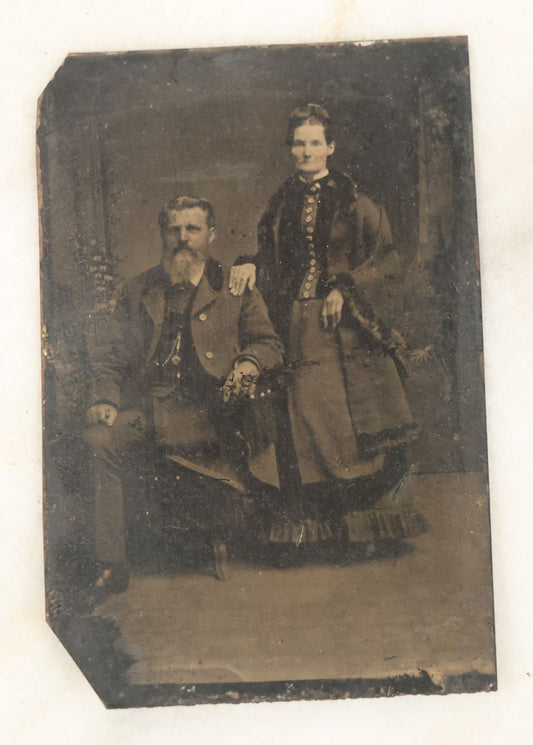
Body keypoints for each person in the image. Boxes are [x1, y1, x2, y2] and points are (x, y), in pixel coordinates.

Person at [228, 104, 426, 547]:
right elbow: (273, 261)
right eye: (299, 143)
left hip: (341, 329)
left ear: (330, 148)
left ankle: (357, 528)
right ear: (290, 149)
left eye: (315, 142)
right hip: (294, 322)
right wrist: (249, 264)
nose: (306, 151)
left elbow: (388, 261)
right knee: (303, 421)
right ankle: (317, 529)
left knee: (338, 419)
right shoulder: (280, 204)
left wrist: (345, 288)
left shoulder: (356, 203)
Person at [84, 195, 283, 594]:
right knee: (99, 439)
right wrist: (105, 398)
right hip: (149, 408)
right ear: (163, 234)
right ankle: (111, 563)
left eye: (193, 229)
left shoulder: (233, 286)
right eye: (174, 229)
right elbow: (112, 357)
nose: (183, 238)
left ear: (211, 235)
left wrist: (248, 364)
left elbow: (269, 344)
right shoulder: (138, 289)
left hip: (210, 412)